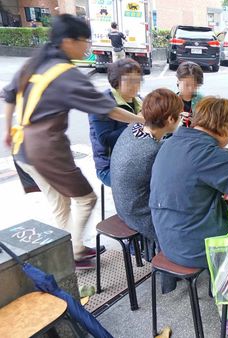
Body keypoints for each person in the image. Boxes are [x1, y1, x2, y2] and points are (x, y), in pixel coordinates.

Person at [2, 14, 143, 269]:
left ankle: (67, 251)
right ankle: (76, 251)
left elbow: (9, 95)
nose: (86, 47)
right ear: (68, 41)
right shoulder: (65, 73)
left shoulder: (34, 64)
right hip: (47, 150)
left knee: (60, 204)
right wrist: (140, 120)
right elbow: (108, 109)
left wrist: (7, 130)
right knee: (86, 198)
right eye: (84, 41)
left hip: (22, 149)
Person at [150, 97, 228, 269]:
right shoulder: (208, 153)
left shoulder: (171, 142)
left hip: (167, 239)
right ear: (225, 127)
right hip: (194, 248)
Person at [111, 89, 181, 249]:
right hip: (139, 214)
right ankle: (171, 264)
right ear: (171, 119)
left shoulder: (132, 129)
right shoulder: (154, 151)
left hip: (122, 206)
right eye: (179, 115)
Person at [89, 58, 143, 187]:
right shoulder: (102, 103)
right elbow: (106, 140)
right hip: (110, 166)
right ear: (116, 82)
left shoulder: (139, 101)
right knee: (145, 185)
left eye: (137, 80)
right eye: (129, 81)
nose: (135, 85)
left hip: (135, 160)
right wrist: (137, 124)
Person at [176, 61, 204, 127]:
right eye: (187, 85)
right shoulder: (171, 101)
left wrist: (196, 122)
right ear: (178, 81)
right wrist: (177, 122)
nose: (190, 89)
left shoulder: (203, 101)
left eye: (195, 85)